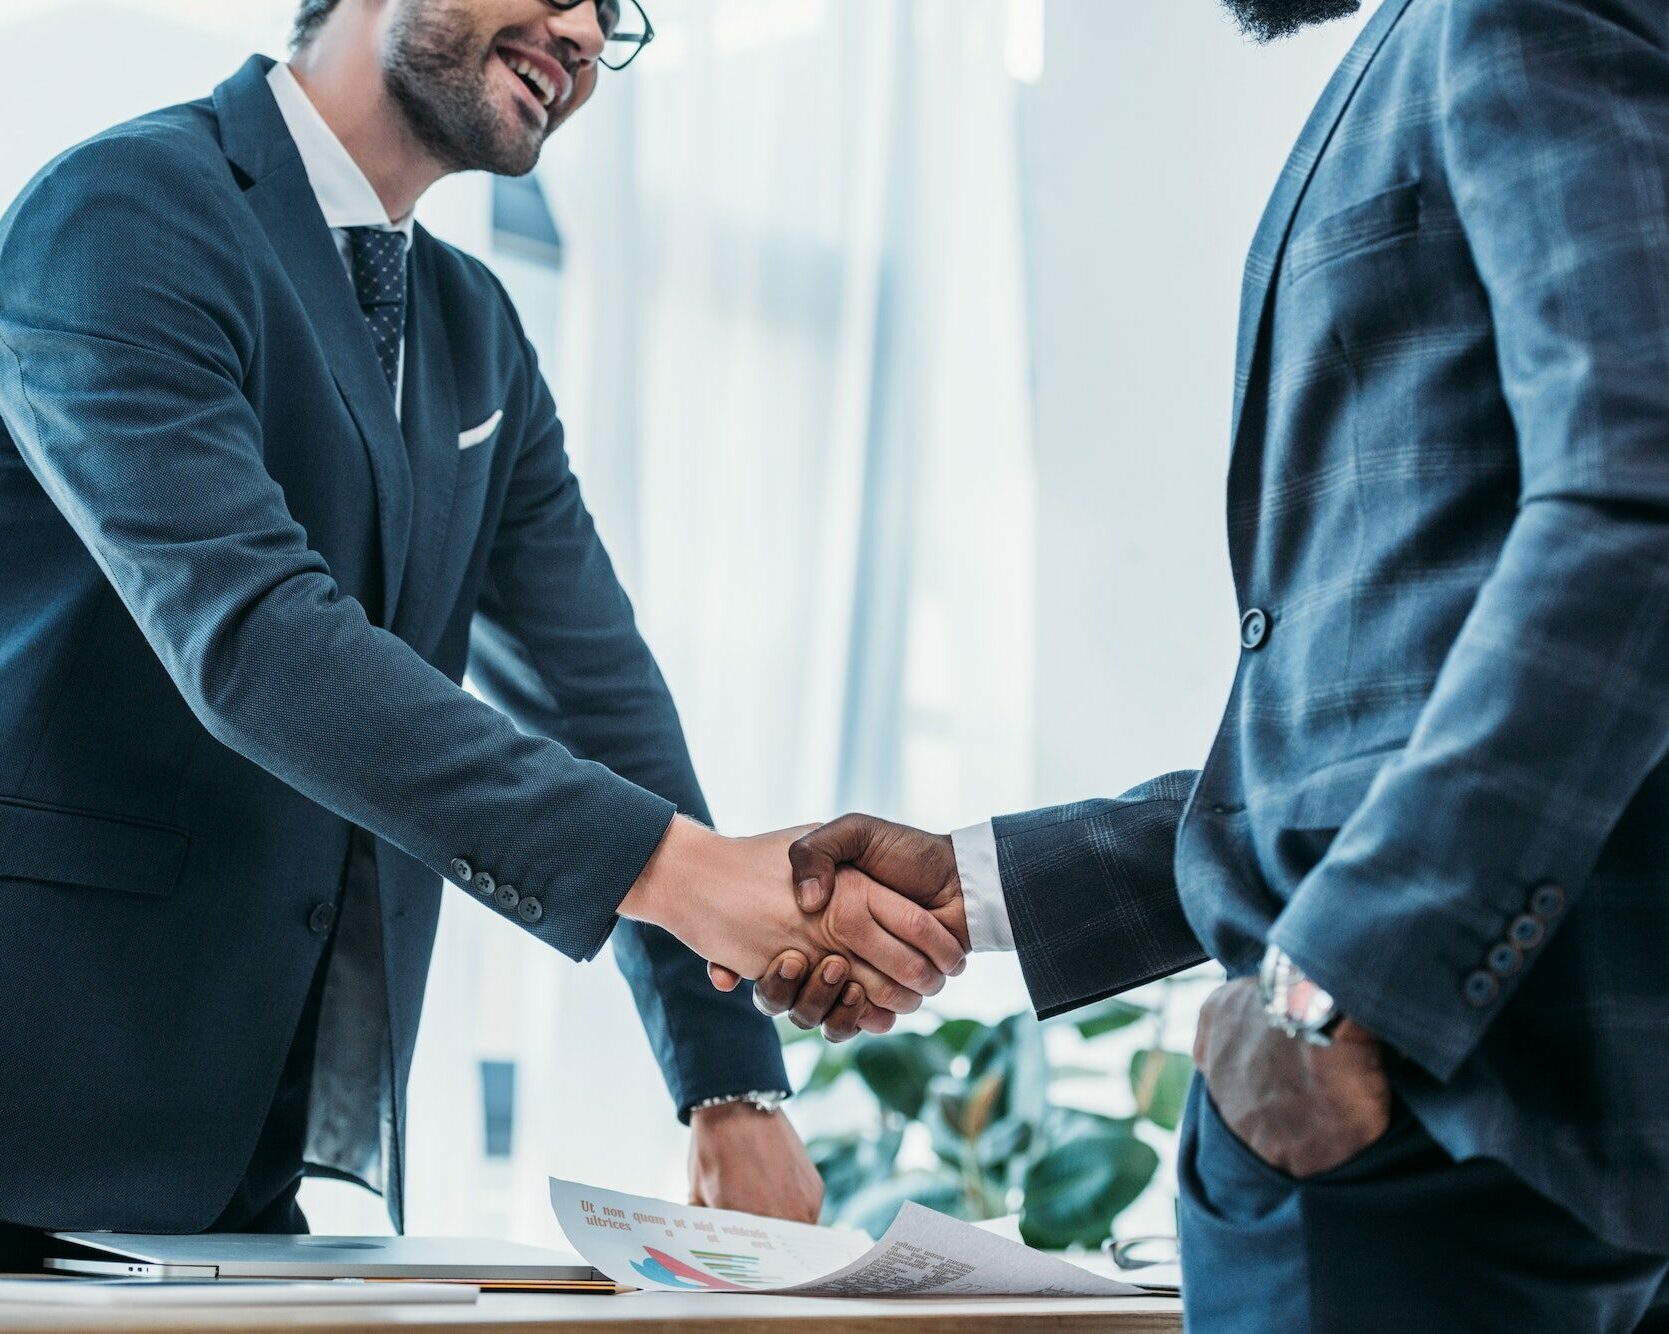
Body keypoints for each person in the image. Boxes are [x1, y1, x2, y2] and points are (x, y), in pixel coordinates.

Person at [739, 0, 1669, 1327]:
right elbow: (1384, 721)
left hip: (1427, 1109)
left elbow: (1633, 510)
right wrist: (982, 882)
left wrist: (1324, 983)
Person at [0, 0, 962, 1267]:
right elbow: (256, 639)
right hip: (36, 1102)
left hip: (237, 1154)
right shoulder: (123, 210)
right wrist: (685, 873)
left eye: (611, 16)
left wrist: (733, 1080)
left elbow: (597, 697)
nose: (578, 30)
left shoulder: (475, 334)